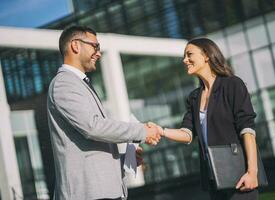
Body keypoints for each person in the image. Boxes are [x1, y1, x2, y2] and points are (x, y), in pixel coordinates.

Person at [47, 25, 161, 200]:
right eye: (95, 46)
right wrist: (142, 131)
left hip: (101, 192)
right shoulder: (64, 84)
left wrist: (124, 160)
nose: (99, 53)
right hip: (88, 194)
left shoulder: (79, 83)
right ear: (75, 45)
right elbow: (94, 127)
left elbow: (91, 149)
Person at [150, 38, 258, 200]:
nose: (184, 60)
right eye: (184, 56)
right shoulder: (194, 97)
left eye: (189, 54)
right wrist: (161, 131)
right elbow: (187, 134)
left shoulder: (232, 85)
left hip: (239, 175)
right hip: (213, 177)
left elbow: (247, 129)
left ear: (206, 55)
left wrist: (252, 172)